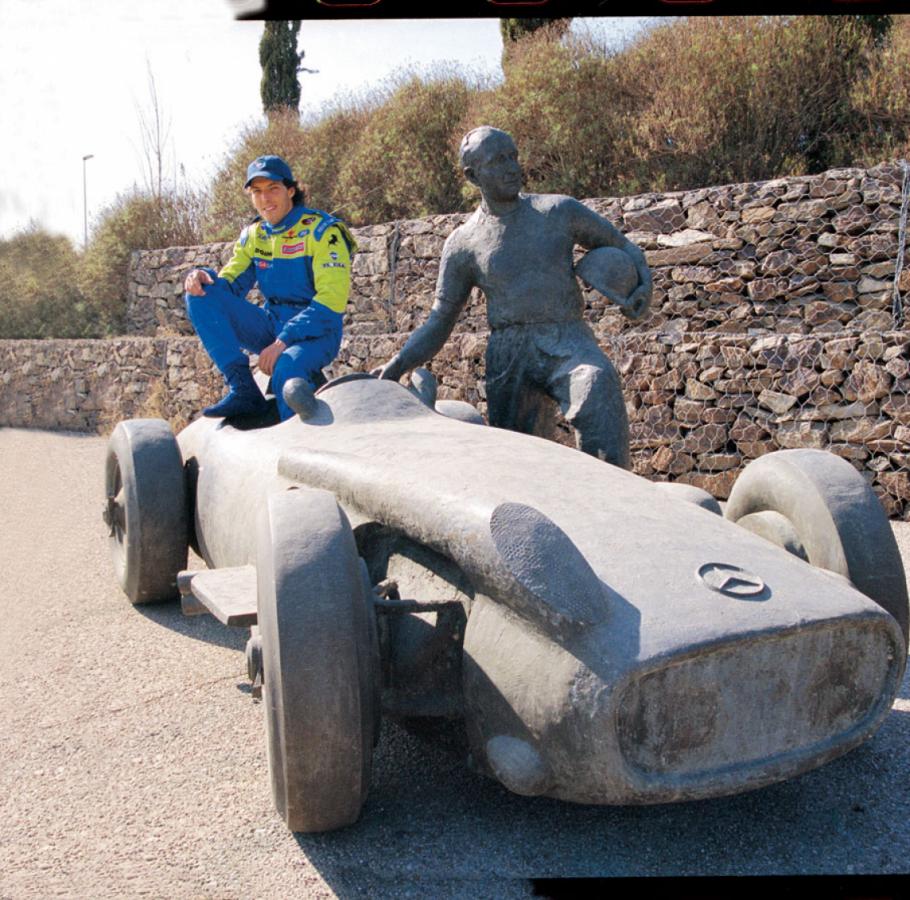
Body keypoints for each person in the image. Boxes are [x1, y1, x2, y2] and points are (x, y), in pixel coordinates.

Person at [373, 126, 651, 468]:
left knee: (597, 384)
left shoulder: (559, 212)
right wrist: (399, 364)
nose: (512, 167)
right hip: (509, 354)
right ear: (472, 175)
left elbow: (623, 246)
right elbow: (440, 319)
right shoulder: (462, 243)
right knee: (518, 461)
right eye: (498, 160)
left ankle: (616, 507)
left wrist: (642, 288)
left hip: (567, 338)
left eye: (513, 157)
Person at [184, 154, 356, 421]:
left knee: (286, 369)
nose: (265, 199)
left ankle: (296, 449)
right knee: (200, 295)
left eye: (273, 189)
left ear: (290, 190)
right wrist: (202, 276)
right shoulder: (255, 235)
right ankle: (243, 389)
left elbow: (331, 303)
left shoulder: (324, 231)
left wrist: (283, 341)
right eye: (257, 192)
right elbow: (228, 286)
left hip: (316, 333)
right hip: (271, 324)